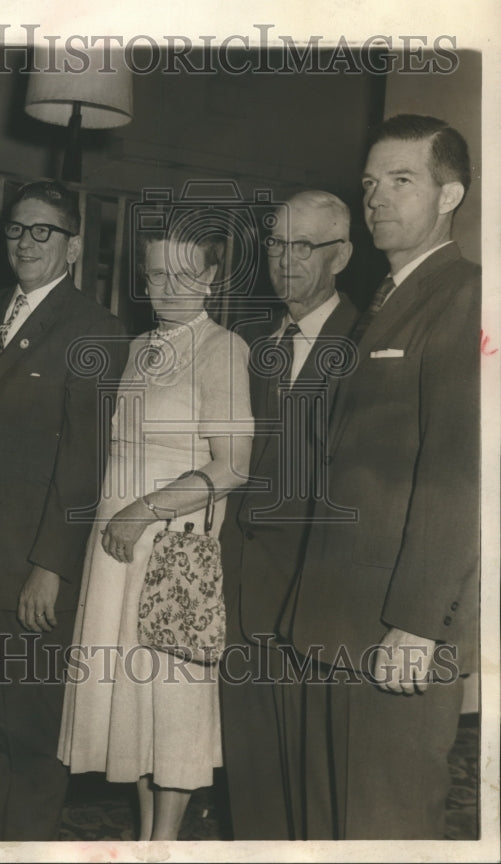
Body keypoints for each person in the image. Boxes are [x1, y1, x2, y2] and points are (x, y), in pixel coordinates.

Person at [290, 114, 480, 838]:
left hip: (393, 627)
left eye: (401, 180)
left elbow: (459, 473)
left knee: (384, 828)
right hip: (335, 617)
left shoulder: (465, 297)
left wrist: (415, 624)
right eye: (369, 183)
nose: (377, 198)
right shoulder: (384, 301)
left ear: (449, 195)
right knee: (330, 828)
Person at [58, 221, 254, 841]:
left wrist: (144, 509)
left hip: (169, 546)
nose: (166, 287)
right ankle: (147, 838)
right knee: (133, 704)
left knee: (173, 702)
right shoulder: (138, 345)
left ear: (212, 276)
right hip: (115, 542)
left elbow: (233, 465)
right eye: (154, 274)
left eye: (183, 274)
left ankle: (163, 844)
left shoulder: (223, 348)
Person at [0, 180, 127, 842]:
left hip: (29, 569)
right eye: (16, 230)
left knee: (29, 727)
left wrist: (49, 566)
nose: (24, 243)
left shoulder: (93, 330)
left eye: (42, 232)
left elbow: (85, 463)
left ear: (73, 247)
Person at [219, 190, 357, 839]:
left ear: (341, 256)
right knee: (250, 777)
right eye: (274, 243)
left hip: (311, 604)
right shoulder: (251, 341)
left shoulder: (365, 346)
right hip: (241, 594)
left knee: (312, 785)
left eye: (302, 246)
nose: (283, 259)